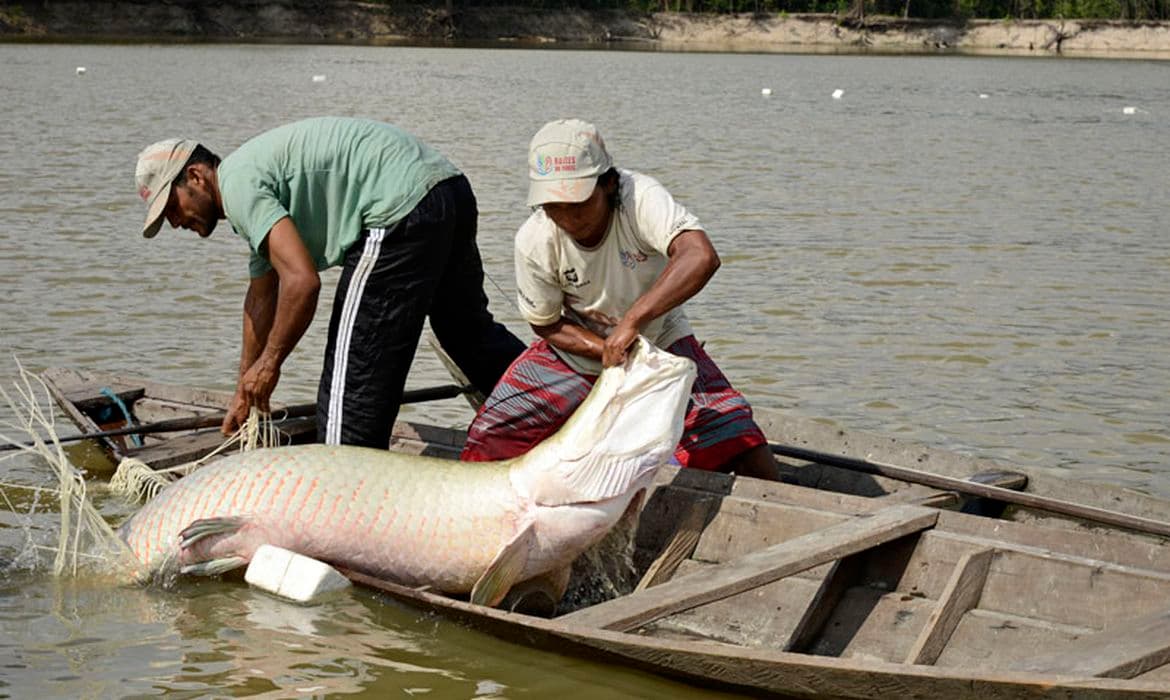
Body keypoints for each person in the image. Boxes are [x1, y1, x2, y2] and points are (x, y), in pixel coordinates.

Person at [135, 117, 525, 449]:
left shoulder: (238, 186)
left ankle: (346, 503)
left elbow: (302, 283)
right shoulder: (250, 183)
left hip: (398, 209)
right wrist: (243, 387)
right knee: (466, 334)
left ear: (196, 176)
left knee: (350, 391)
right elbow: (260, 297)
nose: (175, 222)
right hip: (447, 189)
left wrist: (270, 365)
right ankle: (557, 406)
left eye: (172, 207)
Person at [460, 119, 779, 480]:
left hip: (658, 341)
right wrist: (605, 349)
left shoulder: (638, 198)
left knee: (739, 441)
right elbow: (546, 323)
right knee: (488, 439)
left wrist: (632, 323)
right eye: (553, 206)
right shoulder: (534, 239)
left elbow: (700, 255)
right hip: (576, 349)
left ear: (608, 184)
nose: (566, 217)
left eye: (577, 203)